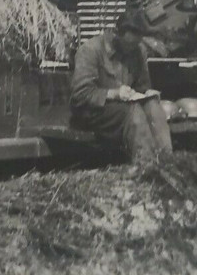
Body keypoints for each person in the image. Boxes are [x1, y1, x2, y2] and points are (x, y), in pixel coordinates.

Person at [69, 8, 173, 162]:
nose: (132, 49)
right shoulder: (90, 50)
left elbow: (142, 86)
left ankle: (168, 164)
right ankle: (147, 168)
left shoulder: (138, 50)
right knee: (134, 113)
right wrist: (114, 93)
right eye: (128, 44)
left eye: (136, 44)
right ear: (116, 34)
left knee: (154, 107)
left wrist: (148, 93)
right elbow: (80, 95)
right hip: (92, 113)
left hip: (123, 108)